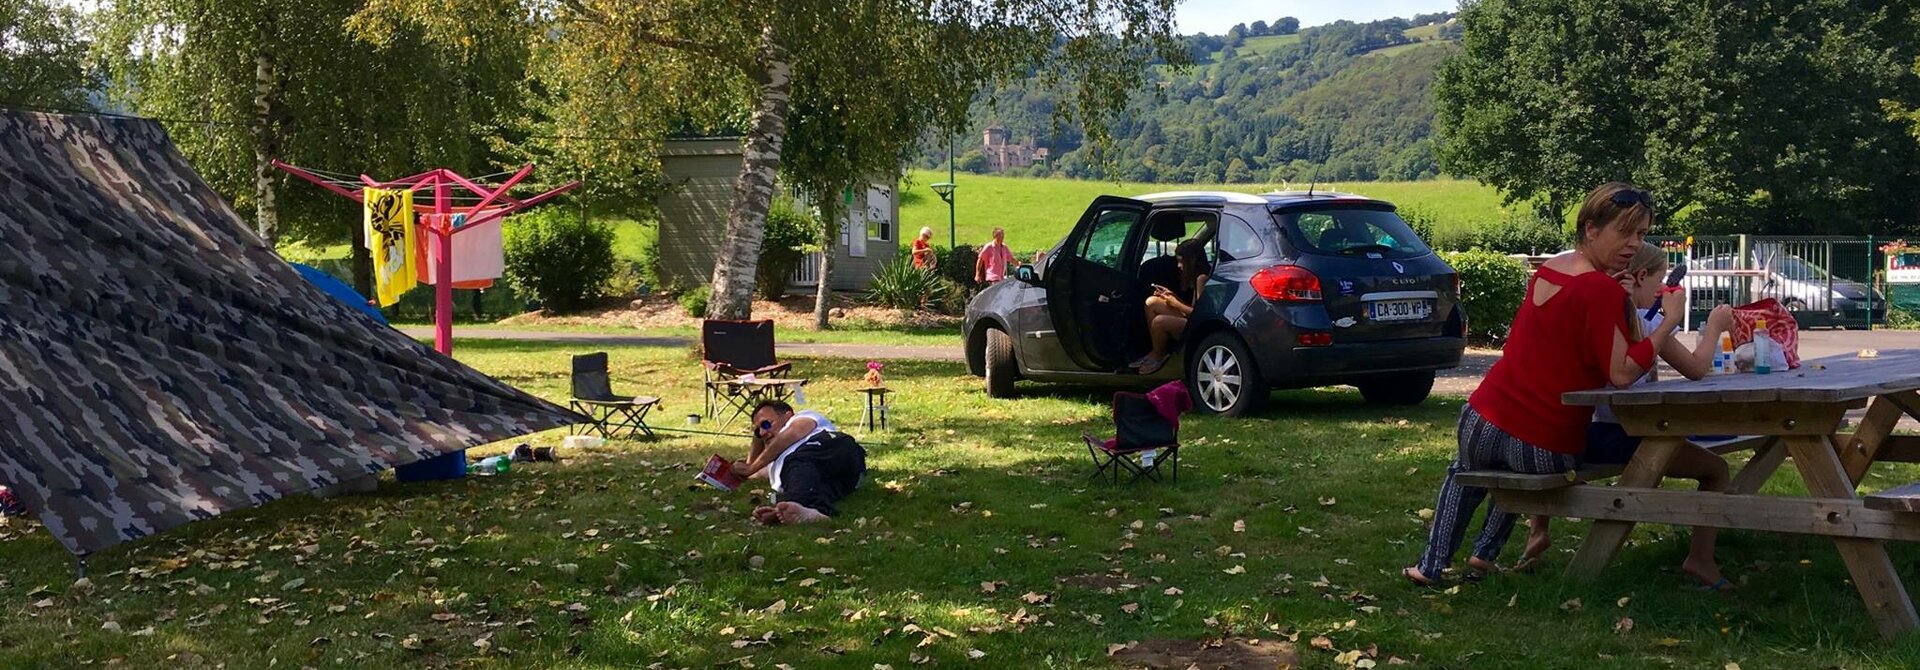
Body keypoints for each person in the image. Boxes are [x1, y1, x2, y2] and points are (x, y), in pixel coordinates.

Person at [1405, 182, 1683, 586]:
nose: (1633, 244)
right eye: (1623, 232)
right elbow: (1622, 373)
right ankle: (1484, 553)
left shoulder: (1553, 267)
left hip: (1482, 416)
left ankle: (1430, 566)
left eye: (1640, 234)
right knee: (1528, 461)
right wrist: (1670, 320)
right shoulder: (1601, 288)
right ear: (1591, 229)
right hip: (1545, 438)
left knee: (1467, 471)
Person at [1516, 242, 1738, 587]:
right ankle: (1700, 560)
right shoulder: (1648, 328)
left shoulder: (1595, 312)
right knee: (1716, 470)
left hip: (1576, 431)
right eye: (1659, 281)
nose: (1662, 290)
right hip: (1620, 436)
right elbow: (1696, 368)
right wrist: (1714, 327)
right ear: (1638, 277)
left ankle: (1538, 529)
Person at [731, 400, 866, 524]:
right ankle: (810, 513)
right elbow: (750, 473)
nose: (763, 432)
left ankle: (796, 503)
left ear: (787, 416)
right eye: (758, 431)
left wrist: (751, 468)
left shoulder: (802, 418)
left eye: (766, 424)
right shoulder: (773, 463)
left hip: (832, 449)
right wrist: (755, 445)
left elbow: (793, 434)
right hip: (840, 479)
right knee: (809, 489)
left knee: (798, 461)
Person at [1129, 239, 1211, 375]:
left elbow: (1199, 315)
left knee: (1160, 321)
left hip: (1197, 327)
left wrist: (1176, 303)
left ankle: (1159, 354)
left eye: (1181, 261)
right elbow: (1192, 307)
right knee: (1151, 302)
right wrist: (1171, 296)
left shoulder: (1201, 278)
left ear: (1192, 260)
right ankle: (1154, 351)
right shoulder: (1193, 277)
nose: (1178, 265)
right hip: (1190, 319)